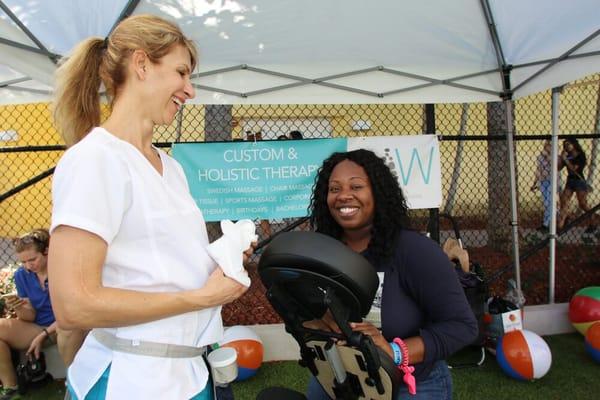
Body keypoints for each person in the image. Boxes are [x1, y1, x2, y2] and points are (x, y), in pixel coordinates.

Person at [49, 14, 250, 400]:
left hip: (186, 374)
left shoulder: (170, 167)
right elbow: (73, 304)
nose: (190, 90)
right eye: (181, 72)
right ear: (141, 64)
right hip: (131, 380)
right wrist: (202, 298)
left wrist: (224, 263)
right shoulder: (96, 159)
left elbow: (158, 267)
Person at [306, 149, 478, 400]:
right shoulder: (322, 251)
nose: (344, 195)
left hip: (411, 382)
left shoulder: (415, 251)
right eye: (334, 189)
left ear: (378, 193)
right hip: (341, 373)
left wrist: (394, 352)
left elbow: (463, 326)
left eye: (356, 186)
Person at [0, 229, 56, 400]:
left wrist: (42, 336)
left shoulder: (61, 270)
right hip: (37, 326)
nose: (28, 266)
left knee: (70, 328)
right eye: (23, 261)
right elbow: (29, 316)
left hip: (62, 327)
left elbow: (71, 314)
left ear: (46, 251)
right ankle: (11, 386)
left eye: (32, 259)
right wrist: (18, 307)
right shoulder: (21, 275)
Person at [557, 138, 595, 232]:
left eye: (569, 144)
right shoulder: (567, 156)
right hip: (570, 181)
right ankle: (561, 225)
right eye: (565, 145)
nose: (567, 146)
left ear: (574, 144)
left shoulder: (580, 155)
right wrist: (561, 159)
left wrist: (566, 159)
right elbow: (559, 168)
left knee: (582, 204)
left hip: (579, 181)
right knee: (564, 202)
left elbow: (574, 169)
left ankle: (593, 221)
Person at [530, 140, 559, 232]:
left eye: (550, 145)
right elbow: (538, 169)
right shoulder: (540, 157)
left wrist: (547, 156)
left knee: (548, 203)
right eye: (546, 145)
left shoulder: (555, 157)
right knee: (547, 203)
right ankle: (556, 216)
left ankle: (546, 224)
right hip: (543, 181)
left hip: (552, 181)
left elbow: (554, 166)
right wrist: (535, 183)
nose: (547, 147)